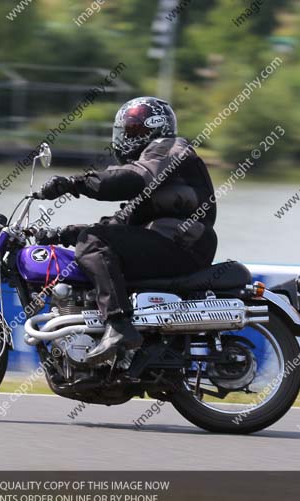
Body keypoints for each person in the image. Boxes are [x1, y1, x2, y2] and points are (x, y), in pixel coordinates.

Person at [33, 97, 218, 365]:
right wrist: (61, 234)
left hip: (185, 244)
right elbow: (119, 224)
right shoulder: (154, 177)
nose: (127, 138)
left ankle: (118, 324)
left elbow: (129, 179)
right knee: (95, 239)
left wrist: (74, 183)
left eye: (134, 131)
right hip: (168, 243)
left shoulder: (169, 148)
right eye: (126, 132)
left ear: (155, 129)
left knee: (93, 242)